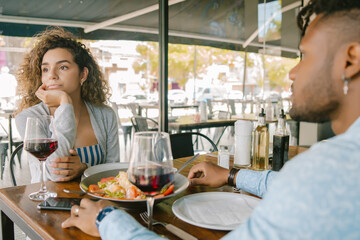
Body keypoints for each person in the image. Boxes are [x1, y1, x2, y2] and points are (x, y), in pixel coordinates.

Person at [62, 0, 360, 238]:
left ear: (351, 59)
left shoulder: (331, 168)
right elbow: (289, 187)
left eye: (305, 55)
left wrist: (106, 221)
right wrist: (232, 175)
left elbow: (308, 186)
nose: (292, 72)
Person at [15, 27, 120, 183]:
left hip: (96, 203)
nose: (52, 75)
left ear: (83, 75)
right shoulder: (29, 118)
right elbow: (55, 174)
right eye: (45, 69)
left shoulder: (105, 115)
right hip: (48, 203)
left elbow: (114, 171)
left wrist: (84, 168)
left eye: (63, 67)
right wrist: (65, 103)